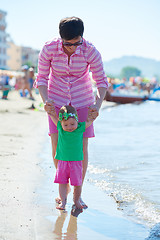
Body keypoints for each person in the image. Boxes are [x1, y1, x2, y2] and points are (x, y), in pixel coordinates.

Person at [34, 16, 108, 207]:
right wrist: (46, 101)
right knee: (57, 147)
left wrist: (97, 106)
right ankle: (63, 188)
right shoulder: (48, 49)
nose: (72, 48)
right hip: (56, 101)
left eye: (76, 43)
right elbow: (41, 78)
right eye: (68, 44)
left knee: (81, 149)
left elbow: (101, 81)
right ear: (61, 38)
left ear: (81, 37)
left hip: (83, 101)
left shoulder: (90, 50)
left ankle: (78, 193)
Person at [49, 105, 94, 210]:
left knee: (77, 183)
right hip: (62, 162)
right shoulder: (60, 127)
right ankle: (63, 202)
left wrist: (92, 117)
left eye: (72, 124)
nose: (69, 127)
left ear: (77, 121)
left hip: (76, 162)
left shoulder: (80, 127)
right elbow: (54, 118)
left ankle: (76, 200)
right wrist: (51, 113)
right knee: (62, 183)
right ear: (62, 123)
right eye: (66, 125)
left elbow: (89, 122)